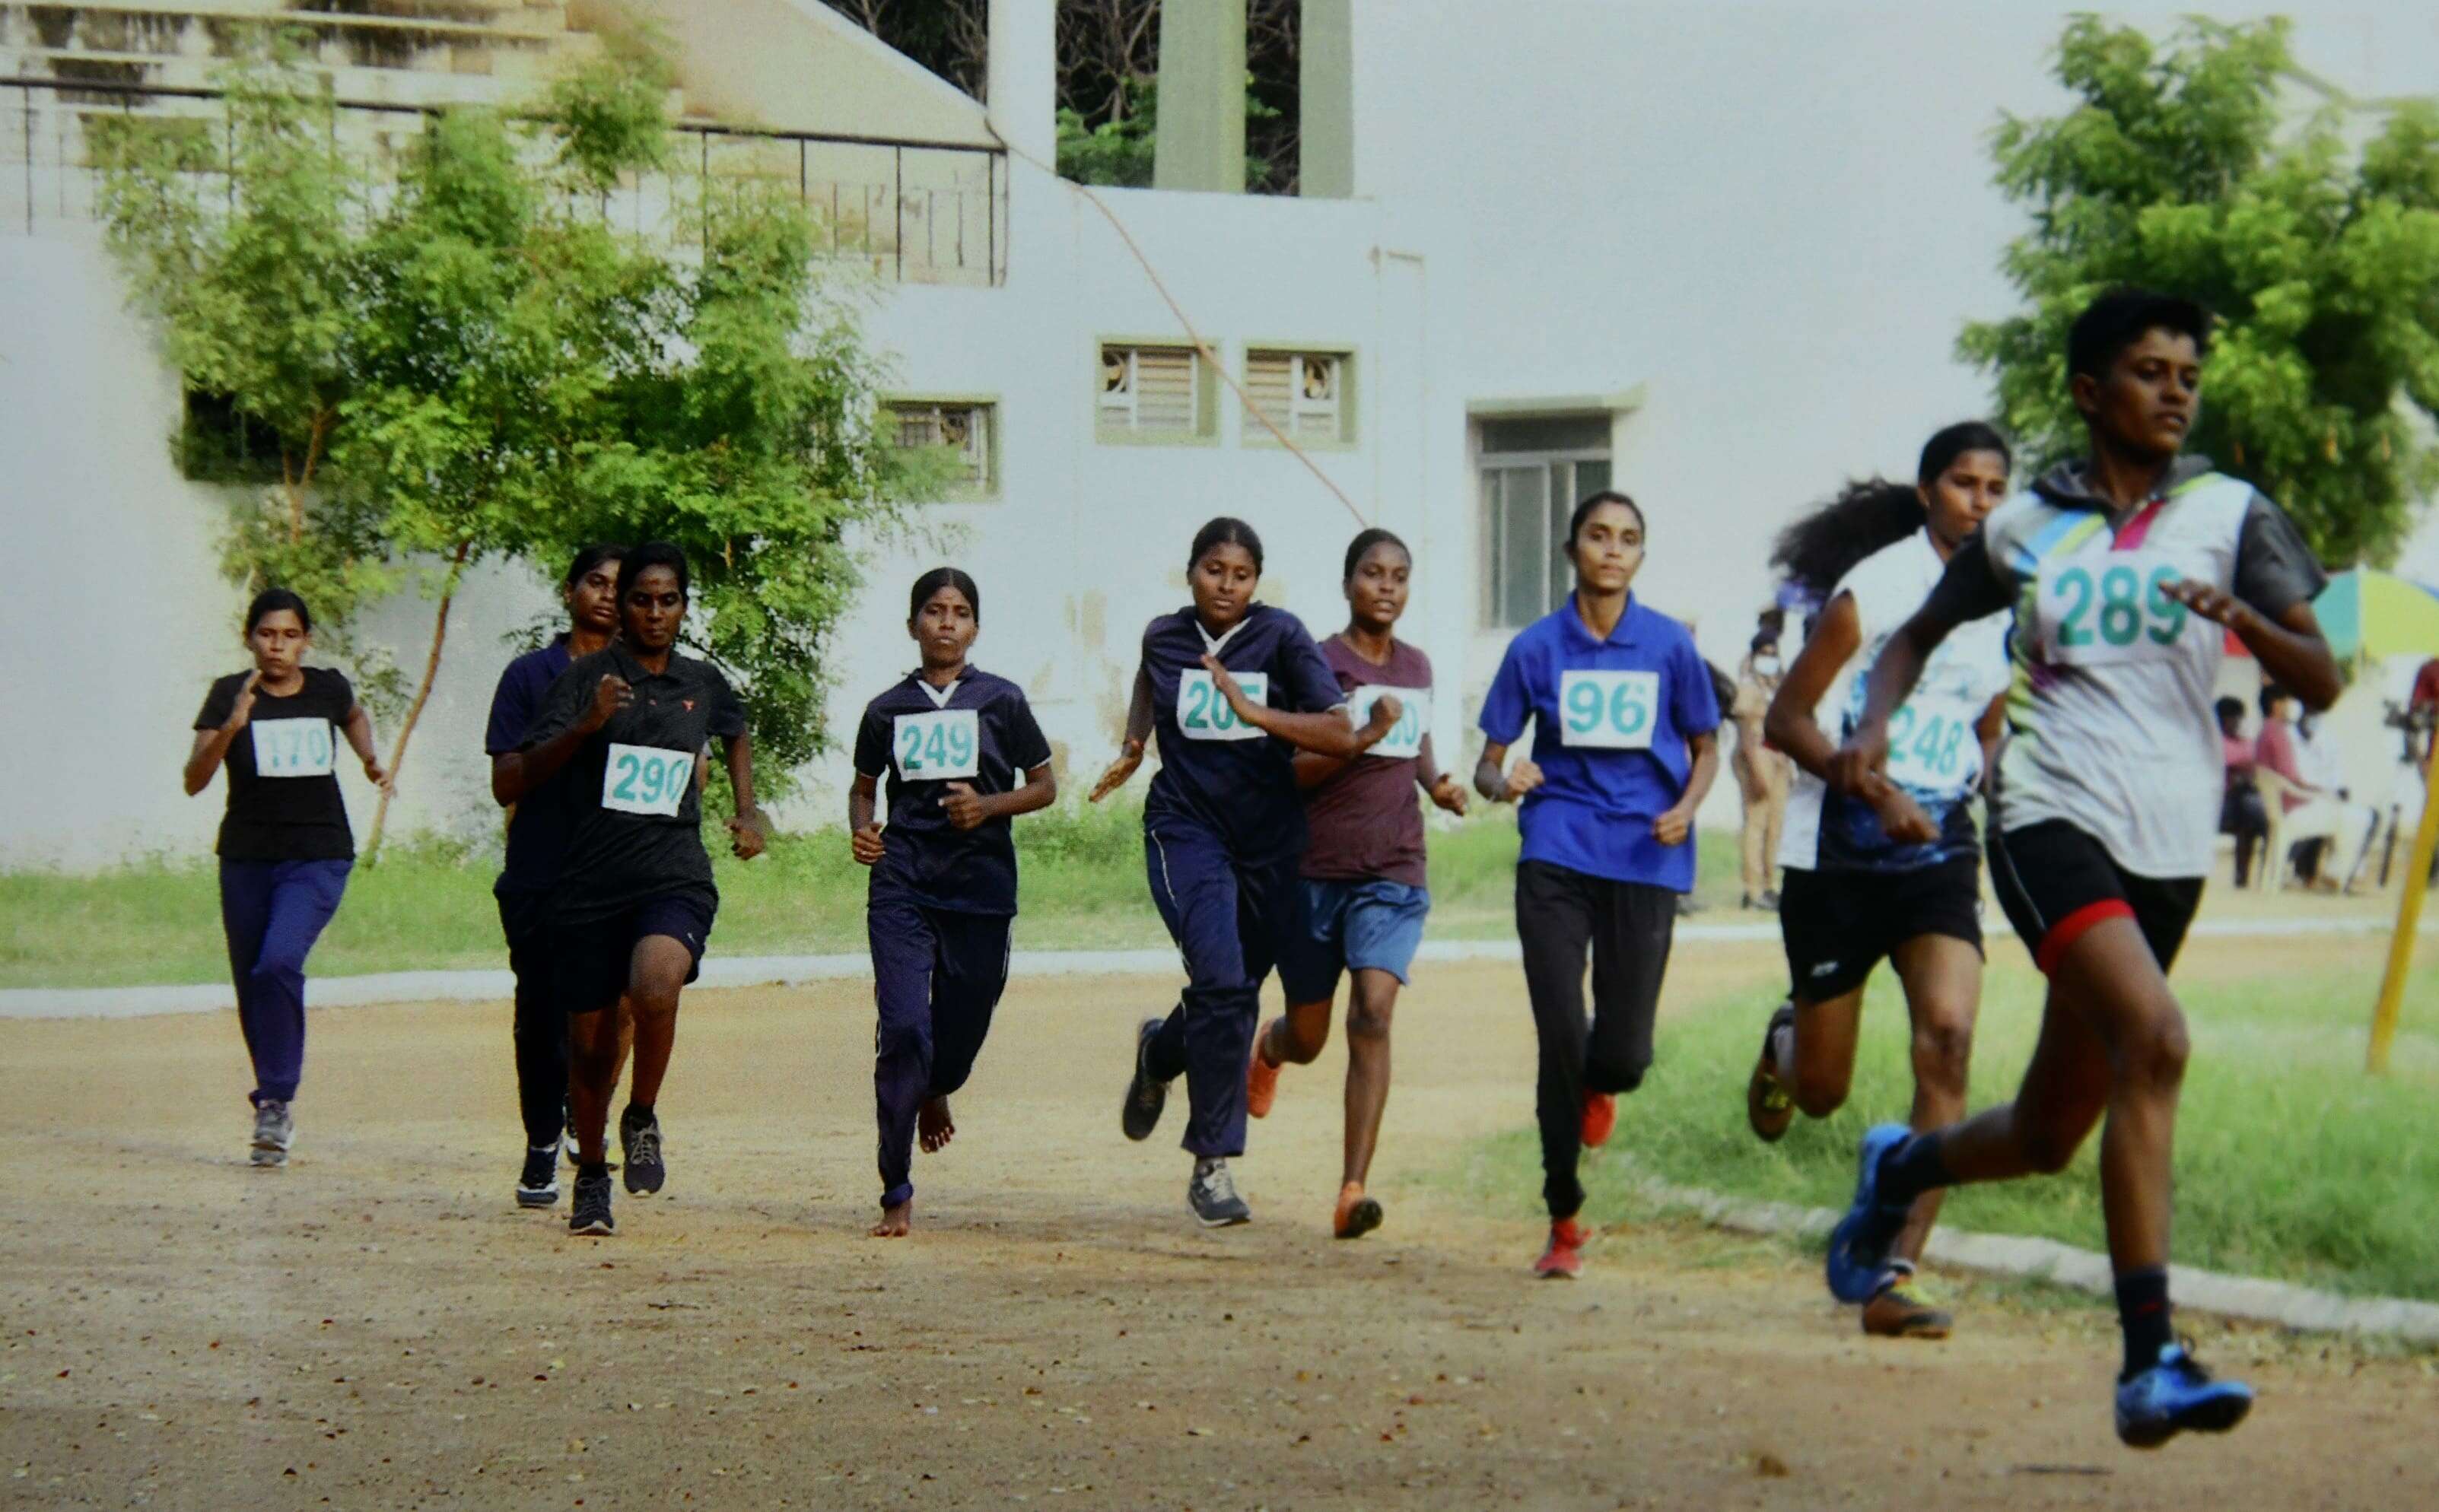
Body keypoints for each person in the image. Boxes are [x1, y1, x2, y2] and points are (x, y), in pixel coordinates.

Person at [1821, 289, 2337, 1446]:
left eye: (2187, 376)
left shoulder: (2229, 513)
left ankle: (1900, 1171)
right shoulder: (2026, 529)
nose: (2173, 391)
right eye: (2149, 371)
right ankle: (2149, 1357)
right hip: (2046, 815)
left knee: (2054, 1129)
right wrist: (1870, 724)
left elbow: (2322, 678)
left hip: (2169, 843)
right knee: (2155, 1039)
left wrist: (2245, 624)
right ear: (2089, 391)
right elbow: (1911, 637)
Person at [1741, 423, 2015, 1339]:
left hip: (1938, 853)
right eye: (1963, 483)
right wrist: (1876, 785)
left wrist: (1987, 772)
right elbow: (1785, 719)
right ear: (1927, 491)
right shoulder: (1874, 593)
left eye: (1993, 486)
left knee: (1947, 1038)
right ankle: (1785, 1043)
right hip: (1839, 864)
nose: (1980, 501)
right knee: (1821, 1090)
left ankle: (1895, 1265)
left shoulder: (2001, 600)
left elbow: (1986, 717)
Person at [1095, 516, 1403, 1228]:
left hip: (1269, 839)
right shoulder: (1164, 633)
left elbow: (1338, 731)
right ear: (1191, 572)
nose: (1225, 585)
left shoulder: (1282, 636)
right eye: (1213, 570)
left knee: (1229, 988)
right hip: (1187, 830)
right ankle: (1213, 1165)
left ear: (1255, 582)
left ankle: (1159, 1051)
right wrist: (1135, 742)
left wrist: (1248, 707)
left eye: (1240, 574)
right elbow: (1151, 675)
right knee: (1224, 981)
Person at [1474, 491, 1722, 1279]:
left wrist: (1685, 805)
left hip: (1646, 855)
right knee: (1559, 1037)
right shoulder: (1535, 647)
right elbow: (1486, 761)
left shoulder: (1668, 647)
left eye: (1628, 539)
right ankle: (1562, 1214)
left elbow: (1706, 746)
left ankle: (1602, 1082)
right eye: (1597, 536)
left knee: (1620, 1054)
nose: (1612, 550)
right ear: (1571, 546)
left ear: (1640, 555)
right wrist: (1503, 778)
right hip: (1555, 846)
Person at [513, 542, 768, 1237]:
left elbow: (736, 731)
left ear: (683, 606)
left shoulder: (701, 679)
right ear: (620, 606)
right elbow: (514, 777)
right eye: (640, 600)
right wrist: (588, 724)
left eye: (669, 600)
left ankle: (643, 1115)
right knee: (590, 1051)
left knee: (657, 986)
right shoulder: (584, 679)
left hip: (674, 874)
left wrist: (747, 809)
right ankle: (592, 1175)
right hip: (589, 884)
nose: (656, 613)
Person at [1243, 529, 1468, 1239]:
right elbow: (1291, 770)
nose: (1388, 587)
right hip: (1312, 871)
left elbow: (1419, 744)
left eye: (1400, 575)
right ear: (1348, 585)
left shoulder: (1418, 666)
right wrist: (1360, 736)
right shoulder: (1317, 663)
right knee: (1309, 1037)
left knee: (1373, 1013)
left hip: (1394, 871)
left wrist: (1440, 785)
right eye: (1373, 574)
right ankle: (1270, 1049)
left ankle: (1351, 1190)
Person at [850, 568, 1057, 1237]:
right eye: (933, 612)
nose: (946, 623)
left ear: (975, 628)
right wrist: (862, 827)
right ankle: (895, 1186)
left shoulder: (1002, 701)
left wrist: (988, 806)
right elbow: (863, 787)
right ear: (912, 624)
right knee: (906, 1027)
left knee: (958, 1038)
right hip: (904, 883)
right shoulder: (887, 709)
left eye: (960, 612)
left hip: (981, 889)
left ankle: (938, 1087)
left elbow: (1046, 785)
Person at [183, 587, 393, 1168]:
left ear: (306, 640)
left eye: (289, 635)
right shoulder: (230, 693)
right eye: (267, 634)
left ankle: (276, 1094)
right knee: (253, 982)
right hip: (247, 858)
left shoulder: (327, 686)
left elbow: (353, 714)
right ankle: (273, 1108)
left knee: (278, 961)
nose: (277, 646)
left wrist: (369, 759)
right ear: (250, 638)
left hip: (317, 855)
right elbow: (193, 780)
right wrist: (231, 727)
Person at [485, 545, 633, 1209]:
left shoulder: (649, 676)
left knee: (615, 1011)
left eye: (621, 587)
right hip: (543, 871)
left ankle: (588, 1114)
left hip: (622, 872)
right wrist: (583, 727)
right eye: (596, 582)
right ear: (570, 590)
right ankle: (543, 1138)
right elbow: (506, 781)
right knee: (541, 1017)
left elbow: (688, 766)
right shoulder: (528, 675)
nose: (608, 595)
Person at [2256, 686, 2373, 891]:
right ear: (2276, 704)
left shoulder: (2266, 730)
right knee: (2358, 817)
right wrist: (2320, 791)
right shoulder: (2278, 732)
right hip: (2295, 807)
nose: (2289, 706)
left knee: (2348, 812)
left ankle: (2336, 874)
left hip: (2286, 803)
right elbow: (2291, 777)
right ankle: (2339, 876)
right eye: (2286, 701)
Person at [1731, 611, 1792, 910]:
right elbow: (1744, 728)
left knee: (1776, 824)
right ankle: (1752, 890)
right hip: (1756, 753)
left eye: (1773, 653)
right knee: (1755, 822)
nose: (1769, 658)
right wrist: (1755, 767)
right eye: (1764, 654)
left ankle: (1770, 885)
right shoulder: (1748, 684)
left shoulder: (1776, 683)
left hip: (1779, 756)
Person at [2215, 697, 2269, 886]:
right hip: (2220, 804)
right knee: (2249, 810)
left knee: (2249, 813)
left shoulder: (2246, 743)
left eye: (2239, 717)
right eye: (2232, 718)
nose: (2237, 722)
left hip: (2243, 802)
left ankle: (2244, 877)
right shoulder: (2215, 742)